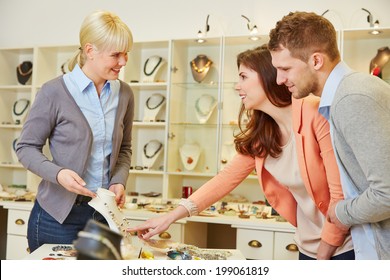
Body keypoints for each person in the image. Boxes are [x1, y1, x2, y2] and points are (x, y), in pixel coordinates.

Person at [128, 45, 354, 260]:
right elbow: (225, 180)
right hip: (309, 247)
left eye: (243, 77)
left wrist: (323, 257)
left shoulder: (315, 113)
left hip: (343, 246)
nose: (237, 86)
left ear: (267, 78)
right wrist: (170, 217)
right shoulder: (264, 133)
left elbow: (340, 195)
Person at [268, 11, 390, 260]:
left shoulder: (352, 98)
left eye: (285, 68)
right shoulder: (347, 94)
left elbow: (387, 193)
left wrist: (339, 212)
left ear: (315, 61)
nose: (280, 80)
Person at [16, 10, 134, 253]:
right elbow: (25, 147)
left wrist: (118, 181)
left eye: (126, 54)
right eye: (116, 55)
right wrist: (59, 174)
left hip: (104, 216)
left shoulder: (124, 94)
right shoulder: (53, 92)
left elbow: (124, 149)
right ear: (90, 51)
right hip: (56, 218)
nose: (123, 62)